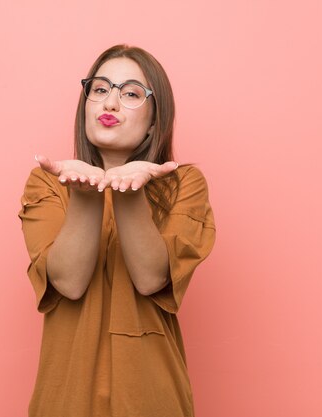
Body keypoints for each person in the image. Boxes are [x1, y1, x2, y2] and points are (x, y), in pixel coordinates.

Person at [18, 44, 216, 417]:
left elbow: (150, 278)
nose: (110, 103)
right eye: (100, 89)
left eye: (130, 94)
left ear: (156, 119)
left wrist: (130, 190)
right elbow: (70, 283)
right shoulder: (47, 184)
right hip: (64, 399)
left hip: (152, 399)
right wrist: (86, 195)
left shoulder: (184, 183)